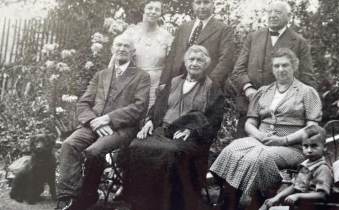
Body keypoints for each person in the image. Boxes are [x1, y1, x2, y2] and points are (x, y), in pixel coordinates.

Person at [209, 48, 322, 210]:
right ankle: (228, 202)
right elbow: (250, 123)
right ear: (272, 68)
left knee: (255, 158)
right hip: (260, 140)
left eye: (285, 65)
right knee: (231, 150)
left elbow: (313, 127)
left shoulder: (306, 92)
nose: (281, 70)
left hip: (291, 146)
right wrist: (259, 136)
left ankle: (251, 203)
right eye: (276, 66)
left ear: (294, 67)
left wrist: (283, 140)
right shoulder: (263, 91)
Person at [122, 45, 224, 210]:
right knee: (136, 146)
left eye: (199, 60)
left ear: (206, 64)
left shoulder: (212, 88)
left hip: (190, 137)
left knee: (170, 153)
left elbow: (214, 119)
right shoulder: (175, 81)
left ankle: (167, 204)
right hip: (163, 130)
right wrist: (149, 121)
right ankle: (140, 204)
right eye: (191, 59)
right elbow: (157, 107)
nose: (195, 63)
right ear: (185, 62)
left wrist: (192, 130)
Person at [55, 34, 151, 210]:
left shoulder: (141, 76)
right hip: (93, 124)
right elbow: (83, 102)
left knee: (94, 151)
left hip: (122, 128)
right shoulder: (101, 75)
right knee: (69, 144)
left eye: (126, 46)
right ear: (112, 49)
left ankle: (88, 194)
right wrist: (93, 121)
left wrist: (108, 119)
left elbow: (139, 107)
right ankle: (68, 197)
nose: (121, 49)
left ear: (133, 52)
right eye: (118, 45)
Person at [231, 1, 314, 137]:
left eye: (278, 12)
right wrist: (248, 89)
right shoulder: (253, 37)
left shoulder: (299, 42)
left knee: (272, 153)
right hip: (249, 107)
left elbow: (308, 78)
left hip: (282, 114)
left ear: (289, 16)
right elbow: (238, 70)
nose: (273, 15)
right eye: (270, 12)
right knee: (243, 150)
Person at [159, 0, 235, 88]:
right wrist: (164, 82)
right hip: (177, 84)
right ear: (193, 5)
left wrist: (209, 84)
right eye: (198, 2)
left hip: (204, 85)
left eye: (206, 2)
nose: (202, 6)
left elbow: (226, 60)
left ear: (213, 4)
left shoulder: (224, 29)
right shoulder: (183, 28)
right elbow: (172, 57)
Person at [260, 125, 333, 210]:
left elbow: (322, 195)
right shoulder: (306, 165)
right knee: (267, 206)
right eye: (305, 146)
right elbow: (295, 186)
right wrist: (277, 198)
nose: (309, 150)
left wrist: (297, 196)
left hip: (314, 206)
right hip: (298, 205)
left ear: (324, 147)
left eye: (314, 146)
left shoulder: (322, 168)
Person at [120, 0, 173, 108]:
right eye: (150, 8)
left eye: (157, 9)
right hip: (133, 81)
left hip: (156, 84)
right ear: (143, 10)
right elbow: (118, 58)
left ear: (161, 13)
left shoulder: (166, 36)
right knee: (129, 113)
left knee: (150, 116)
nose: (153, 12)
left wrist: (164, 84)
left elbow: (171, 63)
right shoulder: (131, 33)